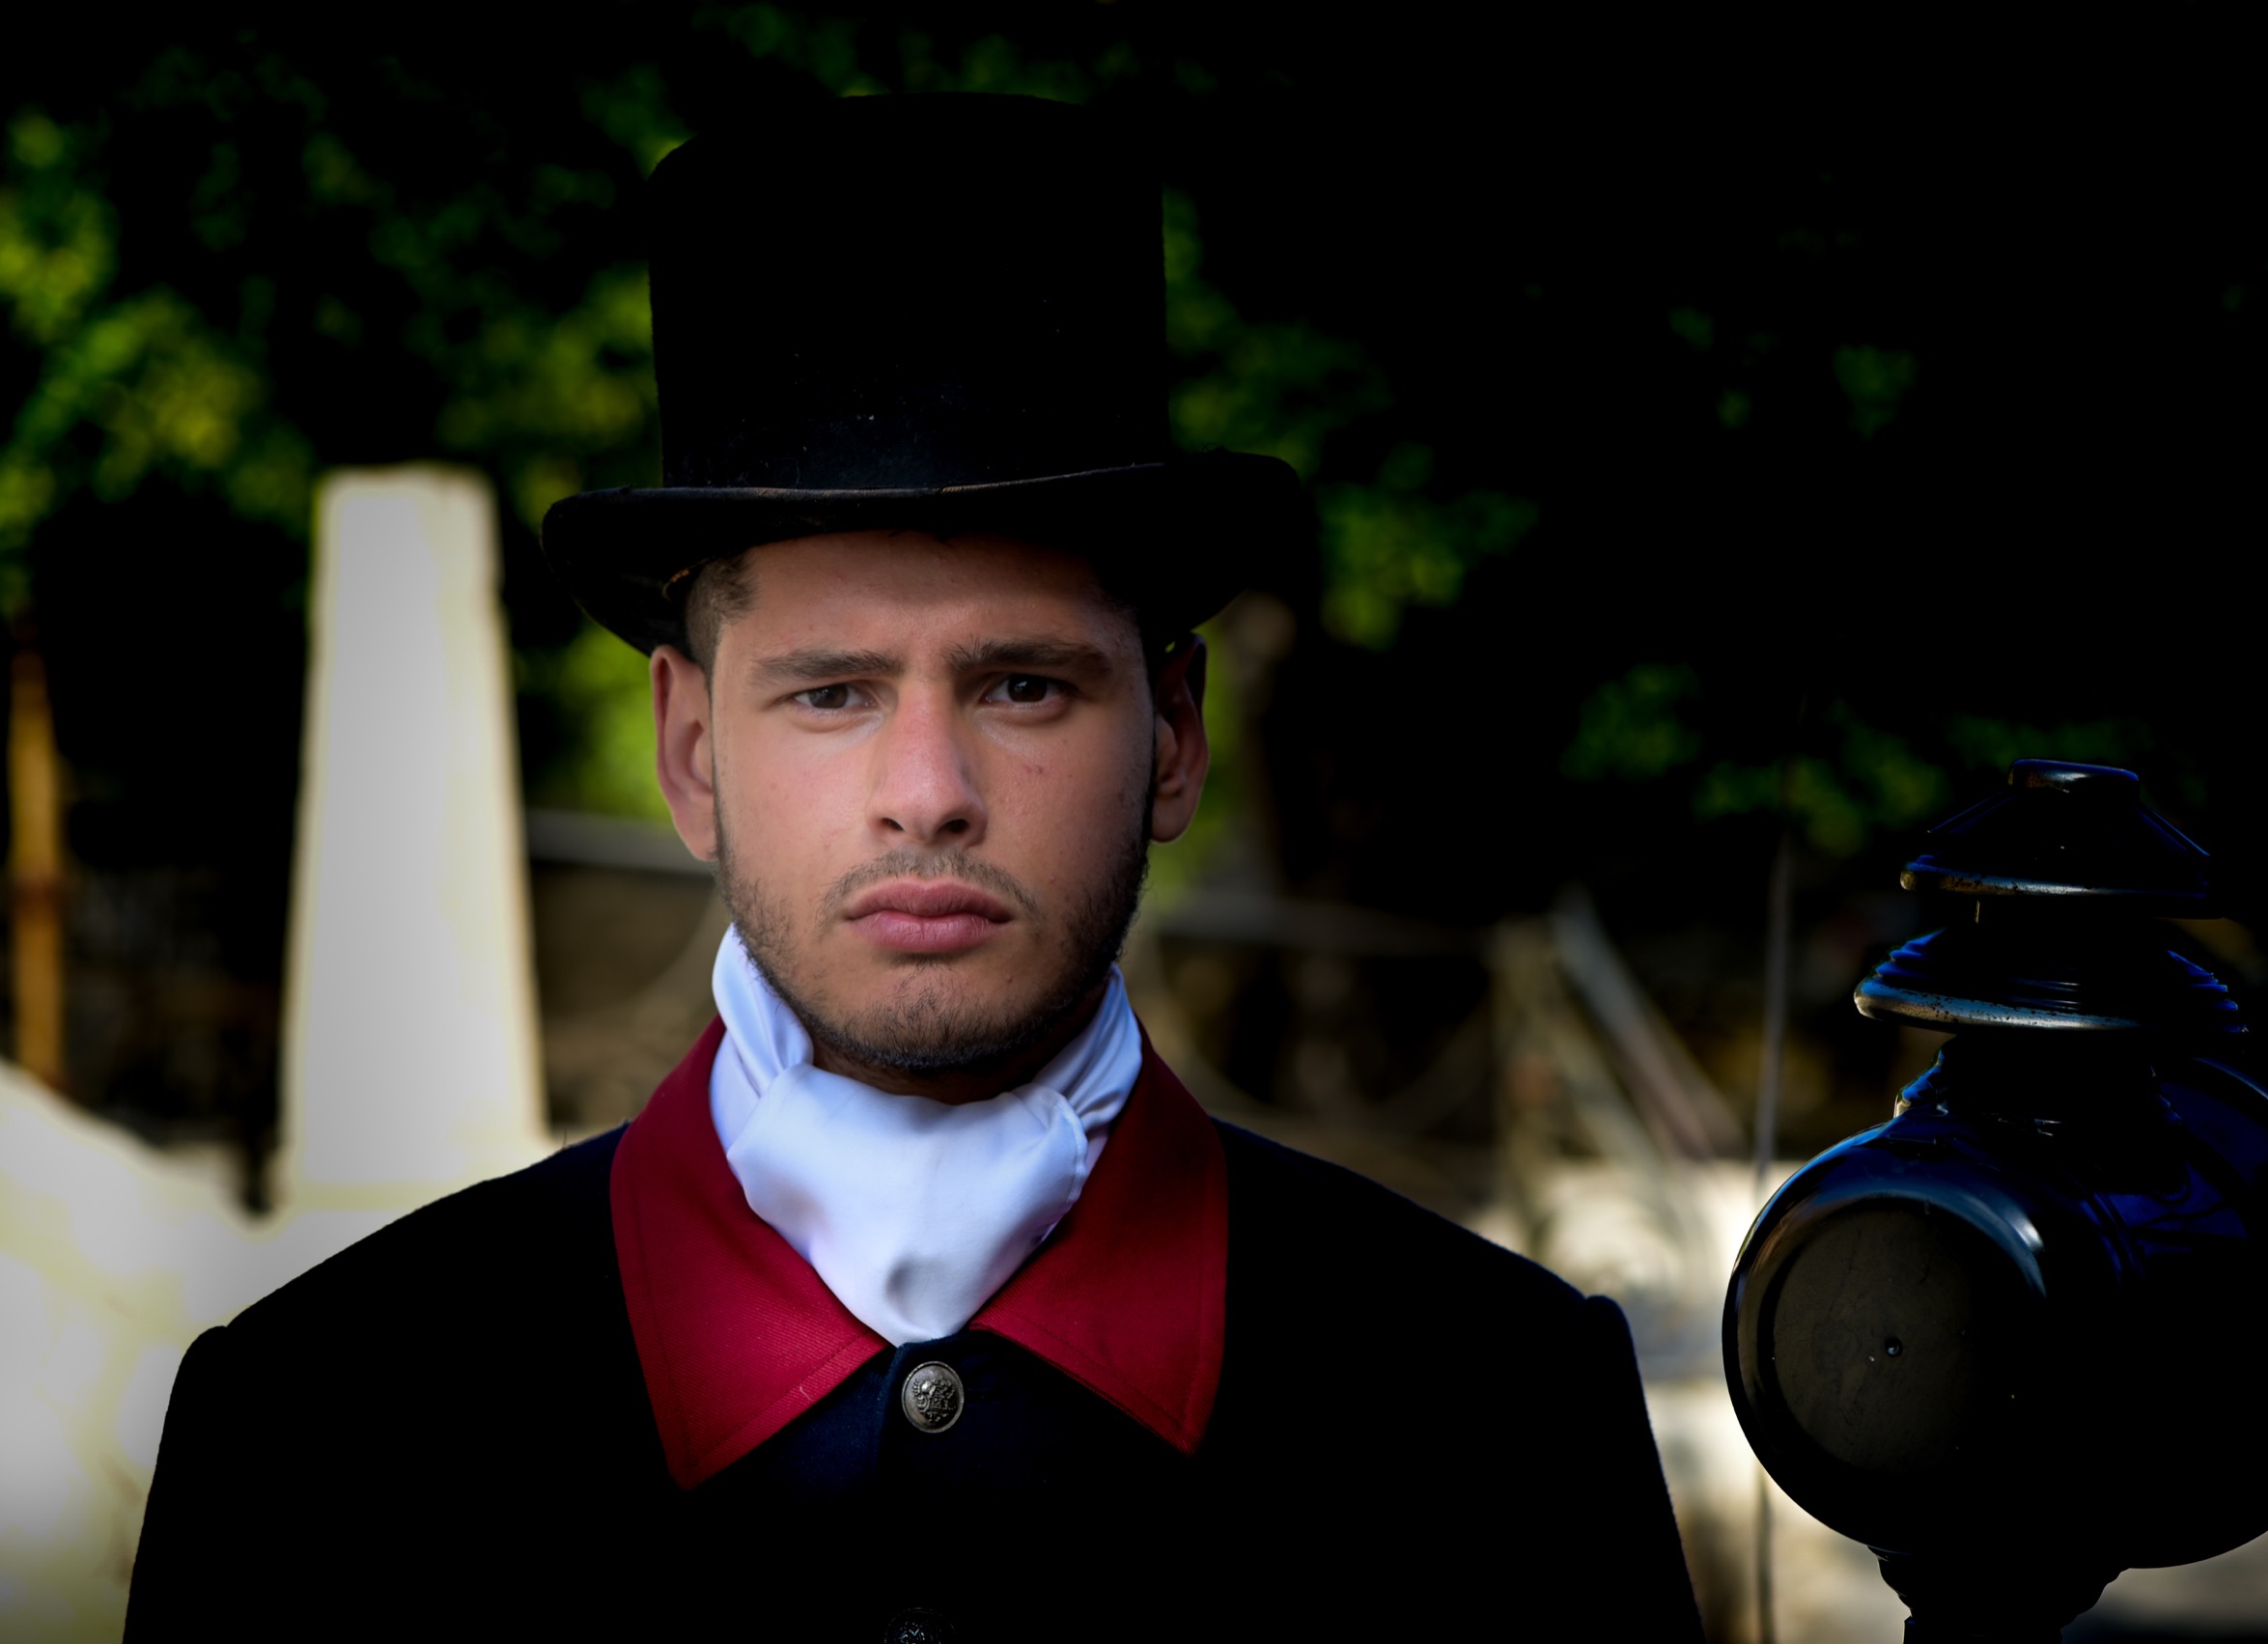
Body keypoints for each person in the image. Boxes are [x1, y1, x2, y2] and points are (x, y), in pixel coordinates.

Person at [127, 93, 1700, 1641]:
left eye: (1023, 686)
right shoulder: (313, 1432)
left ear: (1173, 734)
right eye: (832, 694)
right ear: (692, 751)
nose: (929, 796)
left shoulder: (1503, 1412)